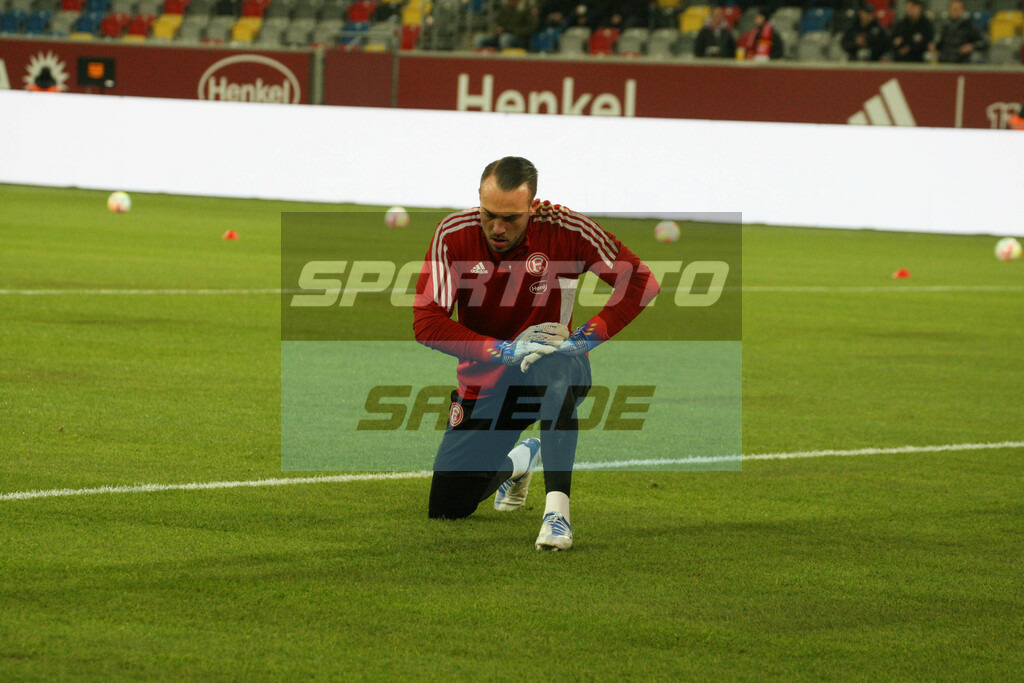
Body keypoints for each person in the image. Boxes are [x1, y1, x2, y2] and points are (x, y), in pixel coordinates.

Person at [413, 157, 660, 551]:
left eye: (511, 218)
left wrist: (583, 340)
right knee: (448, 506)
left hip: (553, 368)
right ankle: (520, 461)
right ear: (478, 200)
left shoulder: (566, 229)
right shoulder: (453, 235)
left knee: (555, 365)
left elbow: (641, 282)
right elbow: (426, 321)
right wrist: (507, 350)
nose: (497, 227)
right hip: (487, 381)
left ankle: (557, 515)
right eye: (489, 214)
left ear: (532, 207)